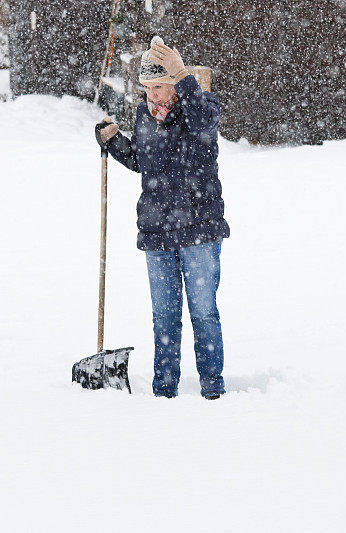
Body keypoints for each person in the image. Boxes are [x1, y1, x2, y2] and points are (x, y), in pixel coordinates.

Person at [95, 36, 229, 400]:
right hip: (157, 231)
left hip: (199, 227)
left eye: (159, 86)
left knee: (203, 312)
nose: (152, 95)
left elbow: (203, 117)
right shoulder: (143, 114)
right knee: (164, 317)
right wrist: (113, 142)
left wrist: (182, 73)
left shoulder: (199, 110)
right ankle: (164, 388)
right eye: (147, 88)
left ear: (173, 84)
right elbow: (144, 162)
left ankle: (212, 387)